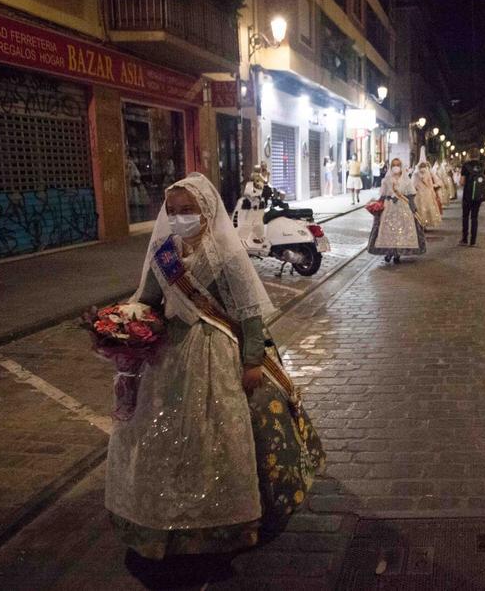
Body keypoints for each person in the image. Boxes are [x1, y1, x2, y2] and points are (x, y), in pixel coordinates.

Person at [107, 173, 324, 560]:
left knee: (217, 434)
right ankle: (167, 518)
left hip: (214, 350)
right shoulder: (163, 253)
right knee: (164, 436)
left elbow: (249, 314)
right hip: (168, 355)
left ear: (206, 212)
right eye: (172, 211)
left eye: (187, 210)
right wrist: (127, 322)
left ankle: (224, 522)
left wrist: (253, 360)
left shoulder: (224, 253)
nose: (178, 218)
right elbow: (150, 300)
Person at [368, 157, 425, 263]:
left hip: (402, 208)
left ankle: (397, 253)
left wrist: (413, 208)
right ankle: (389, 252)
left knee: (400, 232)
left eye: (398, 165)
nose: (396, 167)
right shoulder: (386, 180)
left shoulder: (406, 180)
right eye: (394, 165)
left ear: (401, 166)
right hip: (388, 208)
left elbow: (411, 195)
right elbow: (383, 195)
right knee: (388, 231)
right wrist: (376, 205)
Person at [459, 149, 485, 246]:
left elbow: (462, 182)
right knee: (474, 217)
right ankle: (473, 241)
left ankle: (464, 239)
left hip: (467, 195)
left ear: (469, 155)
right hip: (478, 195)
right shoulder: (482, 166)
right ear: (478, 155)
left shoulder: (465, 166)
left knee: (465, 217)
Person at [413, 160, 444, 229]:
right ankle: (425, 223)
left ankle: (421, 223)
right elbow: (430, 184)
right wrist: (433, 192)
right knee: (427, 208)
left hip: (419, 194)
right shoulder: (428, 173)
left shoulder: (416, 174)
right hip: (427, 193)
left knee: (419, 209)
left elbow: (414, 185)